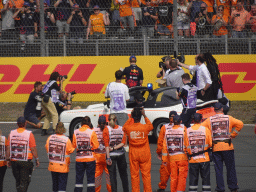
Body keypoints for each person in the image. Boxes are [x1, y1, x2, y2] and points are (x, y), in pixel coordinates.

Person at [201, 102, 243, 192]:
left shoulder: (209, 120)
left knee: (218, 170)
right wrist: (234, 134)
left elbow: (201, 128)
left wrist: (209, 138)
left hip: (216, 148)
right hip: (228, 147)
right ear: (222, 109)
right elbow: (240, 124)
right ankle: (233, 187)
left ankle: (220, 188)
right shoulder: (229, 118)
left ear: (214, 110)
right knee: (230, 168)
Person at [122, 108, 153, 192]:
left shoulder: (129, 128)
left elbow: (124, 128)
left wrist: (130, 117)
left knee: (134, 175)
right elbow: (151, 126)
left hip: (134, 154)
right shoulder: (144, 127)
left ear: (133, 117)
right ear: (140, 117)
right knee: (146, 175)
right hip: (144, 153)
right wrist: (144, 115)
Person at [6, 117, 40, 192]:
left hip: (14, 160)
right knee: (25, 181)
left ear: (17, 124)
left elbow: (8, 147)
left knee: (18, 180)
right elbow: (33, 148)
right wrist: (37, 159)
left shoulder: (11, 133)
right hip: (25, 161)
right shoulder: (29, 134)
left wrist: (8, 159)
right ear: (25, 123)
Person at [45, 122, 75, 192]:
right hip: (63, 167)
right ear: (63, 129)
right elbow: (71, 150)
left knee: (55, 185)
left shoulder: (50, 138)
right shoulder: (66, 139)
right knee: (62, 187)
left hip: (53, 166)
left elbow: (47, 148)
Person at [161, 115, 189, 192]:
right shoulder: (184, 129)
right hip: (182, 157)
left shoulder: (167, 131)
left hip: (172, 158)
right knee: (182, 176)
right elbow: (187, 143)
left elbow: (165, 146)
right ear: (180, 122)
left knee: (173, 177)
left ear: (172, 122)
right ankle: (179, 190)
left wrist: (164, 160)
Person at [186, 113, 212, 192]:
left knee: (193, 179)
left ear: (193, 120)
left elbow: (185, 145)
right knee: (206, 179)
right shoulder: (206, 130)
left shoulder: (187, 131)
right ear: (201, 119)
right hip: (204, 159)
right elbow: (210, 144)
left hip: (193, 159)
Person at [72, 116, 99, 192]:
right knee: (90, 181)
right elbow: (96, 146)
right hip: (90, 159)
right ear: (89, 123)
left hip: (79, 159)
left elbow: (73, 145)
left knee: (78, 180)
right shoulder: (91, 132)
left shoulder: (75, 132)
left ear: (81, 124)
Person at [103, 114, 129, 192]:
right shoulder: (122, 129)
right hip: (120, 154)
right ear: (115, 120)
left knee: (112, 176)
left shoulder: (106, 129)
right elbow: (123, 143)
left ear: (108, 120)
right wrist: (116, 147)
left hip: (111, 155)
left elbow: (106, 146)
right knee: (124, 175)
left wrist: (108, 157)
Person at [156, 110, 177, 192]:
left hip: (168, 154)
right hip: (176, 153)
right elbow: (160, 141)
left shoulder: (164, 127)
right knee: (172, 172)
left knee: (166, 172)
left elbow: (160, 141)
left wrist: (159, 152)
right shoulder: (182, 127)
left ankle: (163, 187)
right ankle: (173, 188)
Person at [41, 72, 64, 136]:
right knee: (55, 114)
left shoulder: (49, 82)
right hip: (48, 99)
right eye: (58, 77)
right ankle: (55, 129)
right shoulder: (54, 82)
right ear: (56, 77)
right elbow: (60, 90)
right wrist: (61, 81)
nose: (58, 78)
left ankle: (44, 130)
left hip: (43, 99)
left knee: (48, 115)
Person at [93, 116, 111, 192]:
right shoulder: (109, 130)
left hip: (97, 157)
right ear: (106, 123)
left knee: (97, 178)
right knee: (109, 178)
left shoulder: (94, 130)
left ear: (98, 123)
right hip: (107, 157)